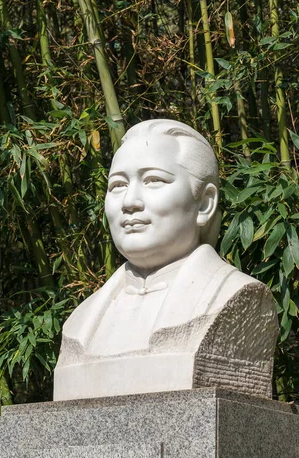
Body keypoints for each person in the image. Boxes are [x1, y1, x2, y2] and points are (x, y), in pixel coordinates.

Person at [54, 119, 278, 401]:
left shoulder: (236, 298)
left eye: (153, 181)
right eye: (118, 185)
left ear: (204, 203)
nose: (129, 202)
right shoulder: (80, 322)